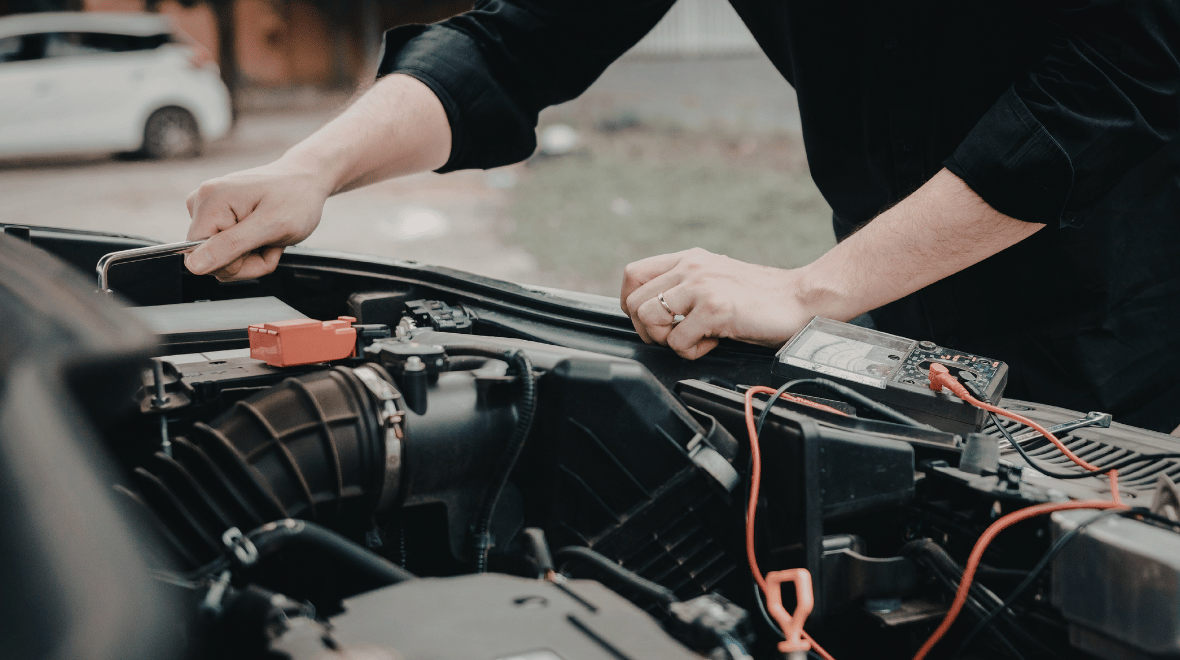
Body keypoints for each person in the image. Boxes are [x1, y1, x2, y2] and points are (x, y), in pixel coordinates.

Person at [184, 1, 1180, 433]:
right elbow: (514, 43)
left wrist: (808, 290)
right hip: (905, 301)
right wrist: (313, 166)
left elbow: (1125, 68)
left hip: (1132, 317)